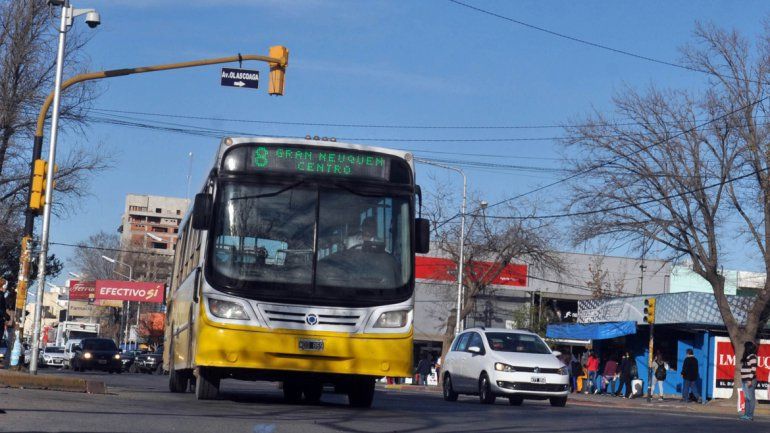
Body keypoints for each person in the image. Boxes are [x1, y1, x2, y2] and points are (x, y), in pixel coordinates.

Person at [740, 341, 758, 421]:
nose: (744, 348)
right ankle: (746, 415)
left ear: (748, 348)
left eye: (745, 347)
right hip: (744, 380)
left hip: (749, 380)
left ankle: (750, 416)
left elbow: (753, 369)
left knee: (751, 398)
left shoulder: (752, 356)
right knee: (746, 398)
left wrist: (749, 380)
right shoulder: (747, 356)